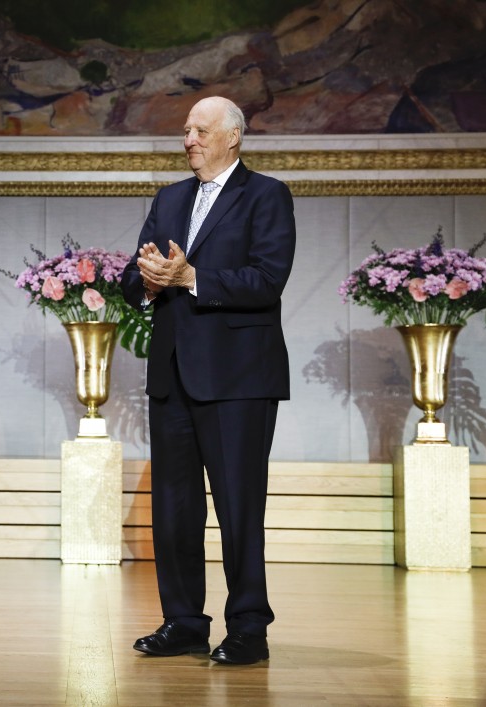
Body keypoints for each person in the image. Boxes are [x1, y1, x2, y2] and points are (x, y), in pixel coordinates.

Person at [121, 96, 296, 665]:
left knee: (238, 506)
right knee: (173, 507)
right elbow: (132, 278)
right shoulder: (169, 198)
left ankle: (248, 627)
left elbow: (267, 279)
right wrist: (146, 281)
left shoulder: (265, 195)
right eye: (186, 130)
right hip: (172, 374)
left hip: (239, 376)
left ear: (233, 138)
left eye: (200, 130)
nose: (188, 139)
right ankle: (184, 621)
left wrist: (193, 277)